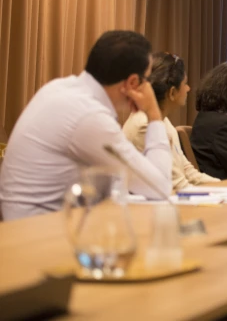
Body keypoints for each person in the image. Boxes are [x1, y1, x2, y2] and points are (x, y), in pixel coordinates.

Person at [0, 30, 172, 220]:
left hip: (28, 225)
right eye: (145, 80)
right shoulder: (89, 116)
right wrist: (154, 114)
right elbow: (160, 187)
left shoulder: (60, 89)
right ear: (132, 82)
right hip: (39, 234)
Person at [124, 52, 219, 190]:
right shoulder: (144, 124)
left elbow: (189, 172)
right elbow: (177, 185)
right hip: (149, 207)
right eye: (185, 84)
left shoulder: (164, 121)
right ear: (172, 93)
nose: (188, 89)